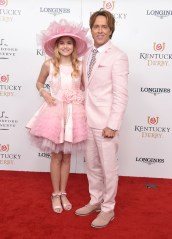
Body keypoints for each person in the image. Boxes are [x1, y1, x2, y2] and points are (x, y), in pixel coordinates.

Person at [26, 19, 90, 214]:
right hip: (54, 112)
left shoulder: (80, 64)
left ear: (75, 46)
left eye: (69, 43)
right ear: (55, 46)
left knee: (67, 156)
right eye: (61, 43)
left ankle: (64, 192)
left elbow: (87, 89)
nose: (65, 46)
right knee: (56, 155)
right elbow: (39, 82)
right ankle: (55, 193)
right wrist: (44, 93)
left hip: (75, 113)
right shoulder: (49, 64)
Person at [75, 9, 129, 228]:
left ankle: (108, 208)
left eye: (104, 27)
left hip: (106, 123)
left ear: (111, 30)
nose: (99, 30)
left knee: (108, 168)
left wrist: (112, 124)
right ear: (91, 29)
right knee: (93, 166)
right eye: (96, 26)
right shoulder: (87, 54)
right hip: (86, 120)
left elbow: (121, 94)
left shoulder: (118, 56)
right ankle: (95, 200)